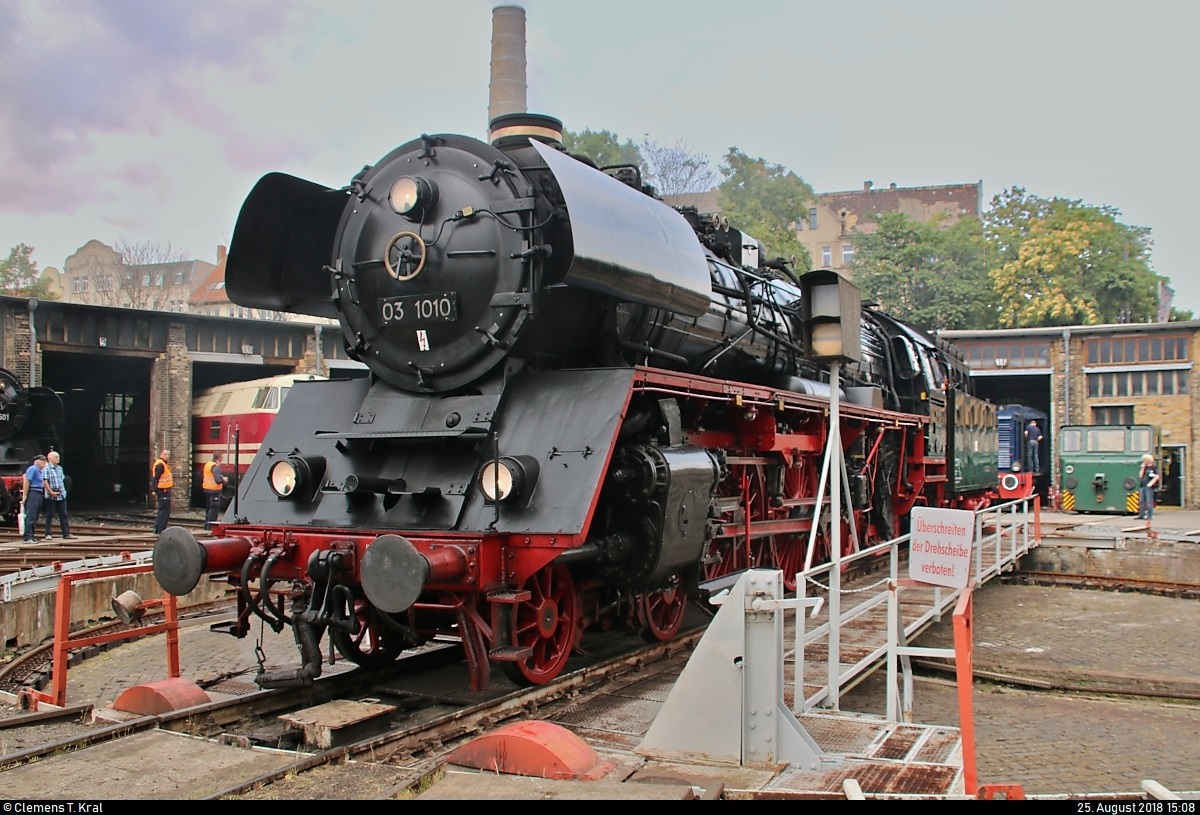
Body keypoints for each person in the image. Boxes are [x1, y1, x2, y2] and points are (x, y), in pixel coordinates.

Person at [42, 450, 72, 539]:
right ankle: (48, 533)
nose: (58, 458)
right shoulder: (46, 468)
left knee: (63, 514)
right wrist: (51, 491)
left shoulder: (59, 468)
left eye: (58, 457)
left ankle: (66, 533)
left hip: (61, 494)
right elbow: (45, 481)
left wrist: (64, 491)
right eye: (56, 457)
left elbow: (62, 480)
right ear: (50, 458)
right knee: (49, 514)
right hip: (51, 495)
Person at [20, 455, 47, 543]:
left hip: (38, 493)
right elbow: (27, 482)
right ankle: (28, 537)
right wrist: (25, 495)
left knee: (35, 515)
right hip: (33, 492)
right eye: (43, 461)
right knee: (31, 515)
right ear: (37, 461)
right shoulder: (33, 469)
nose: (44, 463)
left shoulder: (39, 471)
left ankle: (31, 535)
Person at [201, 451, 226, 531]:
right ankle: (210, 527)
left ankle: (206, 525)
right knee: (214, 509)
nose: (222, 459)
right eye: (222, 457)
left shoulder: (207, 464)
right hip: (214, 490)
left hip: (207, 489)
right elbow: (218, 480)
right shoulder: (215, 467)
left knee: (208, 508)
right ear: (219, 457)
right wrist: (224, 479)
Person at [151, 448, 173, 534]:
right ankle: (160, 528)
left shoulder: (163, 464)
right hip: (163, 490)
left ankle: (158, 527)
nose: (167, 456)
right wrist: (154, 489)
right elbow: (155, 478)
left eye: (168, 454)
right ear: (161, 454)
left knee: (163, 509)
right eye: (165, 454)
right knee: (164, 510)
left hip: (165, 489)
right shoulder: (160, 465)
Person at [1138, 454, 1161, 522]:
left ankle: (1150, 515)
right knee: (1141, 501)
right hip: (1142, 486)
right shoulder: (1144, 468)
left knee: (1149, 501)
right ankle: (1141, 515)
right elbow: (1140, 476)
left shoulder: (1154, 468)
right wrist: (1142, 468)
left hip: (1149, 487)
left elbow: (1157, 476)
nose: (1144, 461)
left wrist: (1151, 484)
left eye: (1145, 460)